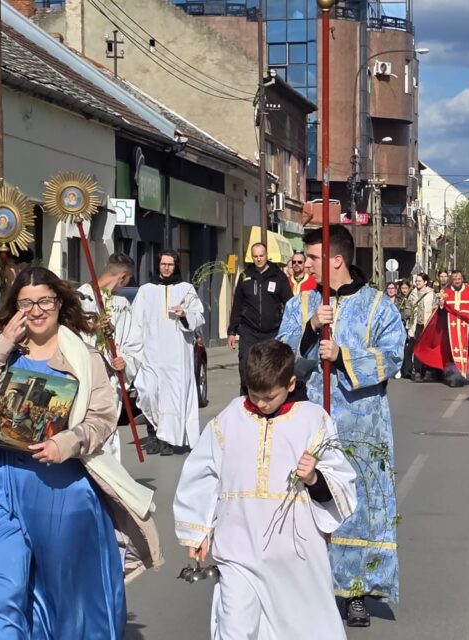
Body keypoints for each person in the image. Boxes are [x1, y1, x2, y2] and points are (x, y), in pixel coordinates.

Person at [0, 267, 162, 637]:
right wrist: (1, 343)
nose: (36, 311)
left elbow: (103, 419)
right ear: (15, 307)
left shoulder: (84, 358)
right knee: (2, 589)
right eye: (26, 303)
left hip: (61, 489)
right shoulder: (3, 353)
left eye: (44, 301)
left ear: (59, 302)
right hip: (0, 483)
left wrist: (65, 443)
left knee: (65, 597)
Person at [174, 340, 357, 640]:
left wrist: (313, 478)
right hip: (237, 548)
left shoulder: (313, 420)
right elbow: (202, 472)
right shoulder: (230, 418)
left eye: (268, 397)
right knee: (235, 627)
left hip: (293, 554)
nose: (260, 404)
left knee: (299, 629)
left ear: (291, 383)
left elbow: (339, 482)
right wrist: (197, 530)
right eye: (253, 395)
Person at [277, 225, 403, 627]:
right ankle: (308, 585)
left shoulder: (378, 306)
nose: (304, 264)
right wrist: (311, 329)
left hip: (362, 424)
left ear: (336, 260)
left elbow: (393, 356)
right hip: (310, 420)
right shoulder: (301, 304)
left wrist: (344, 355)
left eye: (312, 258)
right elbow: (279, 356)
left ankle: (356, 591)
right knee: (308, 500)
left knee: (358, 504)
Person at [132, 250, 204, 456]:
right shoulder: (146, 291)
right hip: (151, 353)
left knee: (172, 397)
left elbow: (198, 317)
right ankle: (153, 431)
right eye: (163, 264)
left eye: (170, 265)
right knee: (148, 392)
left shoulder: (186, 289)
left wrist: (185, 315)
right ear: (158, 265)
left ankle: (168, 439)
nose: (166, 268)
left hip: (176, 354)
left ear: (176, 266)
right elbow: (135, 321)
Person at [77, 252, 145, 461]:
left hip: (110, 379)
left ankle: (112, 480)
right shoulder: (80, 299)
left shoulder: (122, 304)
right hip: (83, 376)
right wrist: (92, 328)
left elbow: (135, 342)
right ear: (122, 277)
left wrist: (124, 360)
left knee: (108, 429)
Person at [228, 242, 292, 392]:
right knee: (246, 365)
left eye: (261, 256)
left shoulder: (278, 276)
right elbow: (237, 304)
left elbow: (290, 304)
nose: (258, 259)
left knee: (270, 369)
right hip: (248, 331)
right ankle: (245, 398)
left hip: (272, 332)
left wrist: (288, 329)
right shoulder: (245, 276)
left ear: (266, 255)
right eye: (255, 256)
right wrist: (232, 331)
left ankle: (269, 399)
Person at [413, 269, 469, 387]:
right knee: (450, 353)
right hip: (449, 329)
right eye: (454, 279)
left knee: (464, 352)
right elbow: (439, 311)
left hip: (465, 328)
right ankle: (453, 375)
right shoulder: (445, 291)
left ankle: (462, 374)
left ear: (462, 280)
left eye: (459, 279)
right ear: (452, 280)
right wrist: (441, 304)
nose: (457, 281)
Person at [402, 273, 436, 382]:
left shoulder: (431, 294)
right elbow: (408, 307)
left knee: (426, 348)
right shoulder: (412, 294)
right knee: (415, 347)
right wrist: (407, 315)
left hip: (427, 324)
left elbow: (435, 309)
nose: (417, 283)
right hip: (415, 324)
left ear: (425, 282)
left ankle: (427, 371)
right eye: (416, 281)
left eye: (420, 281)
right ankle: (417, 371)